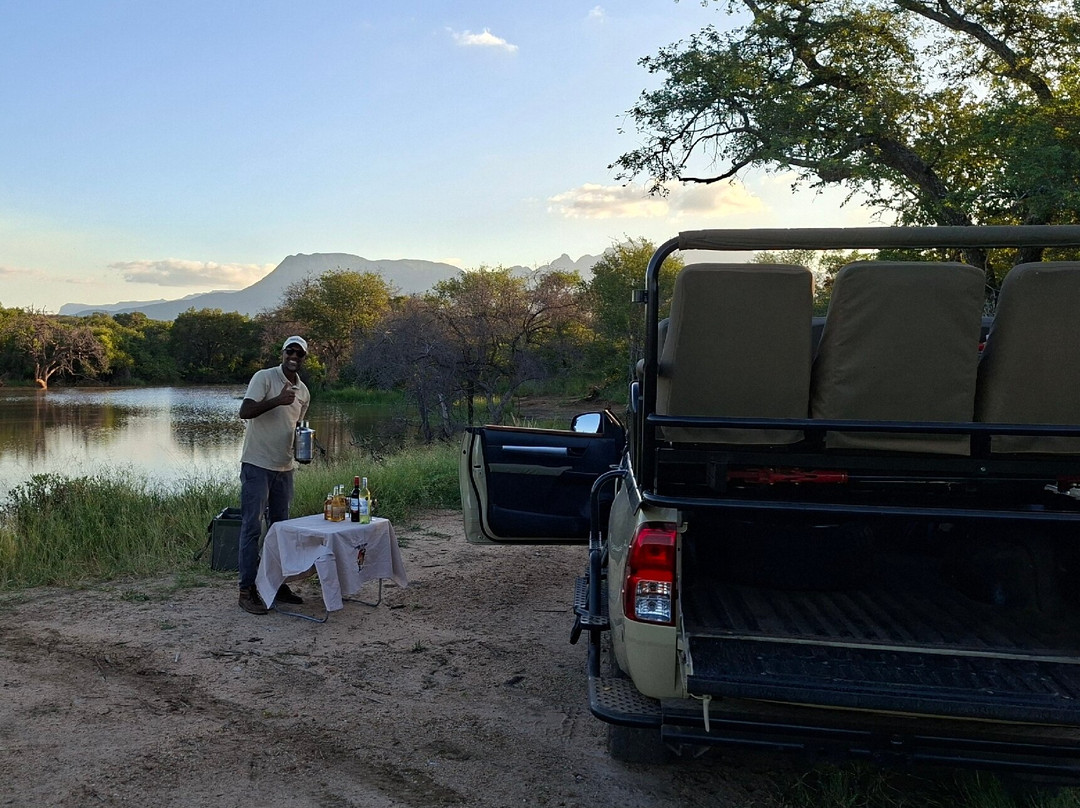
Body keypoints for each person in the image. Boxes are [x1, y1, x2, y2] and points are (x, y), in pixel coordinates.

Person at [236, 335, 312, 614]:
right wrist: (278, 400)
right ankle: (246, 590)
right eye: (290, 351)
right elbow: (245, 411)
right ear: (282, 353)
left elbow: (295, 426)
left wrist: (303, 450)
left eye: (299, 353)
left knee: (280, 530)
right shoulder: (264, 377)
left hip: (284, 467)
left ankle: (277, 585)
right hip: (257, 464)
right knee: (252, 527)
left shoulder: (303, 391)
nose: (294, 356)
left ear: (303, 358)